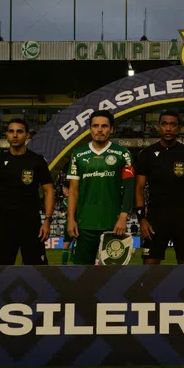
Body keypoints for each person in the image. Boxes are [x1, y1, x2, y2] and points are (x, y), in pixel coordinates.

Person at [0, 118, 54, 265]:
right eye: (11, 131)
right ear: (7, 135)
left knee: (37, 270)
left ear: (27, 135)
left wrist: (47, 221)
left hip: (31, 222)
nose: (15, 135)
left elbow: (49, 191)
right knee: (1, 271)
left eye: (19, 131)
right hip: (5, 223)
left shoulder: (37, 161)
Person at [65, 110, 135, 265]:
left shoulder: (123, 154)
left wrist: (123, 217)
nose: (99, 129)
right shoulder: (78, 154)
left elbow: (130, 188)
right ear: (90, 129)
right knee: (81, 274)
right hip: (84, 224)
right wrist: (71, 219)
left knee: (112, 275)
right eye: (95, 126)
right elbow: (73, 190)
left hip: (113, 225)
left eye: (104, 126)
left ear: (112, 129)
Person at [135, 111, 184, 265]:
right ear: (158, 127)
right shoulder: (146, 154)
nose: (168, 128)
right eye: (165, 124)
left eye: (173, 125)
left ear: (178, 129)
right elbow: (139, 188)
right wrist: (142, 219)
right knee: (150, 265)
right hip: (155, 219)